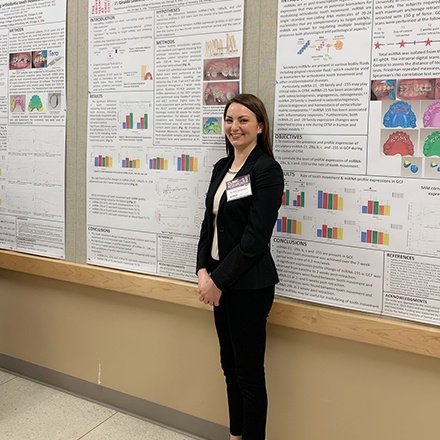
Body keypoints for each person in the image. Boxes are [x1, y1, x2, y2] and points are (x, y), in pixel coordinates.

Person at [196, 93, 284, 440]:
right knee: (229, 366)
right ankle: (236, 435)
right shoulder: (221, 167)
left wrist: (218, 280)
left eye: (244, 120)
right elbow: (209, 223)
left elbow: (255, 239)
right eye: (230, 120)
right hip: (218, 280)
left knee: (248, 374)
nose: (235, 127)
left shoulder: (266, 170)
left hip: (249, 286)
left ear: (260, 126)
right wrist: (203, 270)